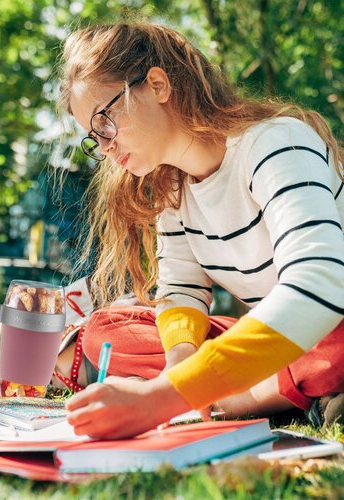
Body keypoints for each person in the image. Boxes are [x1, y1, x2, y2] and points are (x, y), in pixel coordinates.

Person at [57, 22, 344, 439]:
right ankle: (292, 391)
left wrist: (162, 398)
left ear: (156, 84)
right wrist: (179, 364)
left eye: (104, 122)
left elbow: (321, 284)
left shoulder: (275, 143)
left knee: (331, 340)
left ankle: (267, 391)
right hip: (293, 341)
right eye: (93, 137)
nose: (103, 147)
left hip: (330, 316)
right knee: (106, 330)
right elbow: (181, 295)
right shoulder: (172, 188)